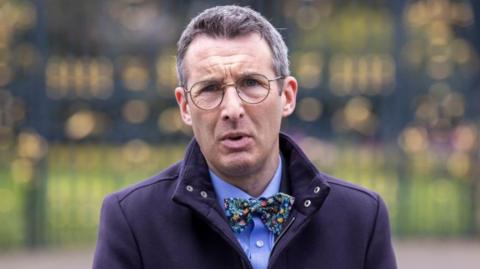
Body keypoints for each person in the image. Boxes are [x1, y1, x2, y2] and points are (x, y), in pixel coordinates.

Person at [93, 5, 397, 269]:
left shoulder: (360, 218)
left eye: (251, 83)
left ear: (287, 96)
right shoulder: (133, 221)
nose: (232, 109)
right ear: (185, 107)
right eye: (210, 89)